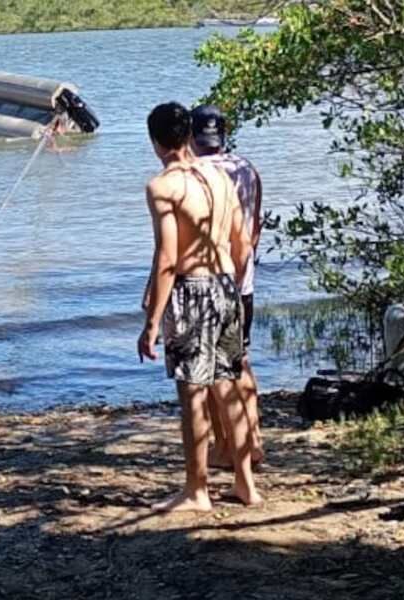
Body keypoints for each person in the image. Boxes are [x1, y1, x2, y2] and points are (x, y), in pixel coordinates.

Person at [137, 102, 262, 512]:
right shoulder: (219, 176)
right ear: (189, 134)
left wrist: (152, 321)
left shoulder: (164, 186)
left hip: (192, 290)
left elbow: (167, 259)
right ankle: (246, 484)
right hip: (227, 284)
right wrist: (232, 284)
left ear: (156, 142)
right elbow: (242, 241)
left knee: (193, 392)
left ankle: (197, 491)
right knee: (227, 386)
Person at [189, 105, 266, 470]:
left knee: (211, 373)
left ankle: (225, 448)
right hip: (243, 279)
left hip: (209, 281)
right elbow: (254, 229)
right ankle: (254, 442)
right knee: (241, 359)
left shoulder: (194, 173)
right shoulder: (247, 169)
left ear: (191, 137)